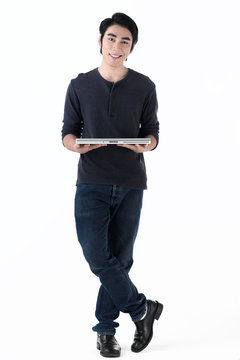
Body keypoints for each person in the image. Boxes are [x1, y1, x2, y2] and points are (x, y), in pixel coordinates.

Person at [62, 12, 163, 357]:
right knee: (97, 256)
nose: (117, 46)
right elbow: (67, 132)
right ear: (100, 41)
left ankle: (105, 331)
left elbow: (152, 133)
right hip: (92, 180)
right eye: (112, 38)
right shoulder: (79, 85)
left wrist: (145, 144)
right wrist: (75, 144)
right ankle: (141, 310)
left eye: (125, 41)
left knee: (120, 259)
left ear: (132, 48)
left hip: (131, 181)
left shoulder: (144, 86)